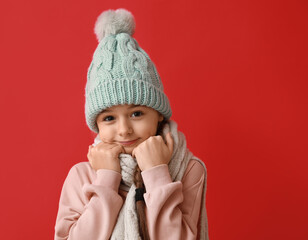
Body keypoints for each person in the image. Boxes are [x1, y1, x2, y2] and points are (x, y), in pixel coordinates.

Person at [54, 8, 209, 240]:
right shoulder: (82, 175)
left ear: (158, 114)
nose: (124, 129)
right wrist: (107, 179)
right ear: (96, 124)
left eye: (136, 113)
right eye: (109, 118)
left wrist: (157, 174)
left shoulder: (187, 169)